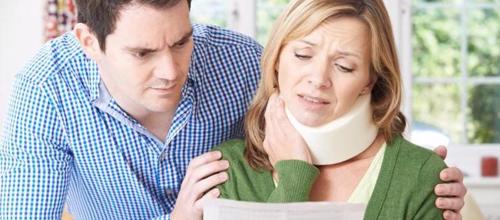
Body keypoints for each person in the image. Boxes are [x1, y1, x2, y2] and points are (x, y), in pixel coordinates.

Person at [0, 0, 465, 219]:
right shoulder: (47, 92)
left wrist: (414, 169)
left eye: (182, 41)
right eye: (142, 53)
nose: (170, 70)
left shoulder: (242, 62)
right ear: (89, 43)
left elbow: (322, 103)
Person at [212, 0, 465, 219]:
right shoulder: (226, 171)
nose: (319, 79)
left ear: (370, 80)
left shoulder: (420, 176)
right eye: (302, 55)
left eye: (344, 66)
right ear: (277, 59)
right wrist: (294, 178)